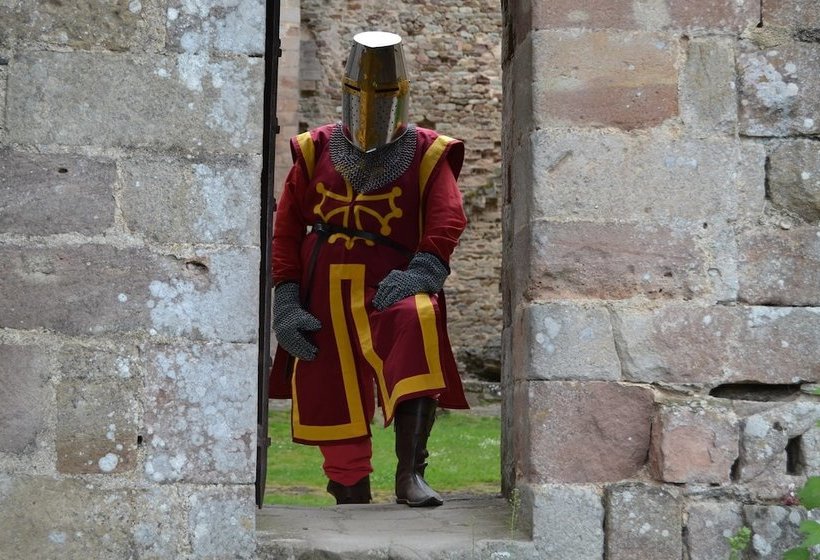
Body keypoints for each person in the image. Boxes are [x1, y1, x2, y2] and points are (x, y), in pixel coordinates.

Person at [269, 30, 468, 507]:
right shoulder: (316, 149)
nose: (371, 103)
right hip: (322, 285)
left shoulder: (426, 150)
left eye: (382, 95)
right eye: (362, 93)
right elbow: (287, 226)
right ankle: (349, 489)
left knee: (415, 321)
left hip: (391, 281)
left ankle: (410, 475)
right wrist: (286, 297)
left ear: (401, 95)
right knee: (327, 382)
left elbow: (448, 217)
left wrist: (423, 271)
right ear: (346, 92)